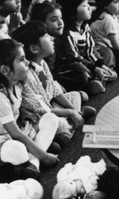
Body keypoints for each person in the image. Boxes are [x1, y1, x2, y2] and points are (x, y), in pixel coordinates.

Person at [0, 38, 59, 181]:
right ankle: (38, 155)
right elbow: (16, 135)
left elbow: (13, 114)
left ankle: (33, 164)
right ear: (5, 70)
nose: (27, 62)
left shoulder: (15, 85)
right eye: (21, 60)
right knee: (18, 150)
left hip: (9, 135)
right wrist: (45, 156)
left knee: (51, 119)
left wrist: (24, 113)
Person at [12, 21, 96, 150]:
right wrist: (69, 112)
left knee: (75, 95)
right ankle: (61, 134)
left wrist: (72, 109)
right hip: (38, 115)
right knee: (55, 122)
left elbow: (55, 90)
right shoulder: (25, 75)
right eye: (46, 36)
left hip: (50, 105)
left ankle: (73, 119)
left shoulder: (43, 63)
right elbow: (41, 109)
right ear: (34, 48)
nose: (51, 38)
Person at [55, 0, 116, 95]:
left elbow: (90, 51)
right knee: (81, 71)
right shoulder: (67, 32)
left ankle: (101, 76)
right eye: (84, 5)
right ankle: (92, 82)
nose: (89, 7)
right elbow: (74, 58)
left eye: (88, 3)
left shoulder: (85, 26)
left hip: (86, 61)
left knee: (106, 53)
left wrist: (101, 65)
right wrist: (95, 68)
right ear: (72, 11)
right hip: (69, 65)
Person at [29, 0, 64, 71]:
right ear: (41, 23)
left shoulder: (57, 38)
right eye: (54, 20)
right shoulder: (42, 45)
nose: (60, 23)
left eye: (61, 18)